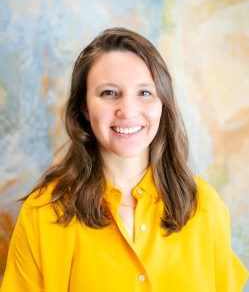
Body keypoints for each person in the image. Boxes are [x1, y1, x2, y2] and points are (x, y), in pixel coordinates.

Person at [1, 27, 248, 292]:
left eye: (144, 93)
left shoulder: (204, 206)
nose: (128, 111)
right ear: (84, 106)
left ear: (162, 103)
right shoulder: (43, 212)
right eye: (109, 93)